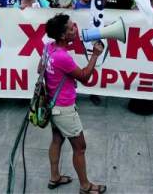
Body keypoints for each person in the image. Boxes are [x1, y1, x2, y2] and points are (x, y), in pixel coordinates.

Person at [42, 13, 106, 194]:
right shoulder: (63, 57)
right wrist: (95, 55)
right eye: (71, 28)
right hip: (64, 109)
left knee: (56, 139)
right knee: (80, 148)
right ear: (63, 35)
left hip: (52, 105)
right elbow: (85, 77)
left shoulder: (48, 48)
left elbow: (41, 69)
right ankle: (85, 186)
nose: (75, 29)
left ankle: (54, 177)